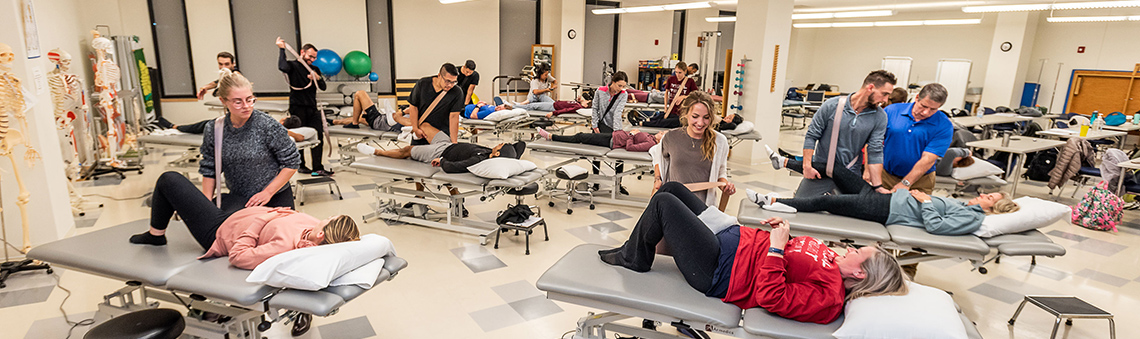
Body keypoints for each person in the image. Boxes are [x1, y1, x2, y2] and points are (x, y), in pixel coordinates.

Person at [599, 182, 909, 324]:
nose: (850, 248)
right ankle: (632, 249)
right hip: (732, 237)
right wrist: (783, 232)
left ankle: (634, 258)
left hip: (720, 270)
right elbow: (797, 253)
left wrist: (775, 247)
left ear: (860, 273)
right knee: (672, 189)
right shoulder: (831, 258)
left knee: (663, 205)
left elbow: (772, 297)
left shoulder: (828, 298)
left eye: (858, 253)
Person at [129, 171, 361, 337]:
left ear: (321, 236)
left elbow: (239, 256)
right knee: (232, 196)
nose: (327, 217)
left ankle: (155, 236)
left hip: (219, 230)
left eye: (329, 220)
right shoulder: (313, 228)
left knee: (169, 180)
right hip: (242, 214)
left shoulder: (283, 246)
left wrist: (264, 218)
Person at [752, 154, 1019, 235]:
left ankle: (775, 202)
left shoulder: (972, 219)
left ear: (993, 210)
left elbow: (936, 225)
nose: (984, 195)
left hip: (888, 210)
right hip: (890, 197)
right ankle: (785, 162)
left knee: (828, 202)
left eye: (990, 199)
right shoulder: (966, 207)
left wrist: (925, 201)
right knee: (838, 170)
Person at [199, 69, 301, 211]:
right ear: (223, 101)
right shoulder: (214, 129)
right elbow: (209, 169)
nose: (246, 106)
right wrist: (206, 205)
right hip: (239, 199)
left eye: (250, 100)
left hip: (275, 197)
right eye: (238, 102)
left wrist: (267, 192)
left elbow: (292, 162)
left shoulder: (267, 125)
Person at [795, 70, 895, 197]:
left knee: (845, 215)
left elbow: (875, 150)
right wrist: (807, 166)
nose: (885, 100)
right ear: (870, 87)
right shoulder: (832, 105)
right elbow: (812, 135)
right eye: (884, 94)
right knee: (799, 207)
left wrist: (878, 186)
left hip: (850, 174)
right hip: (821, 171)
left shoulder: (880, 116)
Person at [653, 91, 735, 207]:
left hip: (702, 208)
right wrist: (657, 179)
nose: (700, 123)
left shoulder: (719, 141)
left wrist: (725, 186)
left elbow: (721, 172)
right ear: (686, 114)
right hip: (673, 205)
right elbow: (659, 161)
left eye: (706, 117)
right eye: (695, 117)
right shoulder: (670, 138)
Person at [356, 124, 525, 173]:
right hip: (449, 144)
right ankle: (404, 128)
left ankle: (376, 151)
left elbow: (457, 167)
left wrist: (442, 161)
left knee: (406, 151)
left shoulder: (479, 160)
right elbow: (521, 146)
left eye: (501, 145)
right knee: (425, 126)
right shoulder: (492, 154)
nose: (499, 142)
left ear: (497, 153)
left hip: (439, 152)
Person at [881, 83, 953, 194]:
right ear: (917, 97)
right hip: (887, 175)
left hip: (920, 180)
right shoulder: (891, 111)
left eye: (933, 109)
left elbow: (928, 159)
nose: (926, 112)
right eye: (923, 106)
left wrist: (906, 183)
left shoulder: (943, 125)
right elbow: (873, 142)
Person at [276, 37, 330, 176]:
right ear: (302, 52)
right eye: (310, 56)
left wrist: (317, 78)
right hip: (297, 107)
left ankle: (318, 167)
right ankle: (301, 165)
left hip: (312, 108)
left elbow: (323, 87)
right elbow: (282, 66)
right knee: (299, 136)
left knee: (318, 137)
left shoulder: (314, 68)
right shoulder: (293, 66)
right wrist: (282, 49)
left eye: (314, 58)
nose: (312, 60)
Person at [408, 63, 465, 145]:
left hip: (441, 134)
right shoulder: (422, 84)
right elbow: (413, 107)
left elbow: (454, 117)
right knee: (409, 153)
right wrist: (415, 128)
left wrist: (454, 143)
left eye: (453, 82)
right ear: (439, 75)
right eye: (447, 81)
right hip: (421, 132)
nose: (450, 85)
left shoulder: (457, 92)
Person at [641, 62, 698, 128]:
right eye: (676, 72)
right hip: (671, 109)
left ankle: (642, 123)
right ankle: (642, 121)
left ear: (685, 72)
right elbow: (666, 93)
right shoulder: (671, 79)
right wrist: (665, 107)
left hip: (682, 113)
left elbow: (695, 96)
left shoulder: (690, 81)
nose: (677, 75)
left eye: (680, 73)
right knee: (659, 117)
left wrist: (684, 97)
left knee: (664, 122)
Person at [331, 90, 411, 131]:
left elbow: (399, 120)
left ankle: (354, 123)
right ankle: (334, 122)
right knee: (360, 118)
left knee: (360, 93)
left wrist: (404, 112)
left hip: (380, 122)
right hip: (383, 120)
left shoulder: (414, 120)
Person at [535, 127, 664, 152]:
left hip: (612, 142)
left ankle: (551, 136)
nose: (661, 132)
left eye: (663, 133)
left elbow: (630, 147)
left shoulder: (650, 143)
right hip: (613, 135)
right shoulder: (651, 137)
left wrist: (631, 134)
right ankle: (552, 136)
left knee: (580, 137)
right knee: (581, 136)